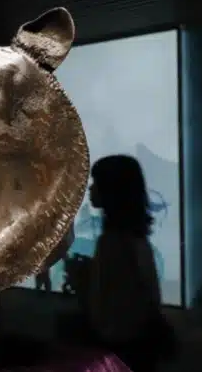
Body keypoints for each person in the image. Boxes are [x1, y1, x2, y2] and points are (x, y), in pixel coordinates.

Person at [86, 155, 168, 372]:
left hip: (121, 341)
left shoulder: (114, 241)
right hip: (136, 339)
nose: (90, 189)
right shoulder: (133, 237)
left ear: (112, 190)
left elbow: (111, 298)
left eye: (96, 183)